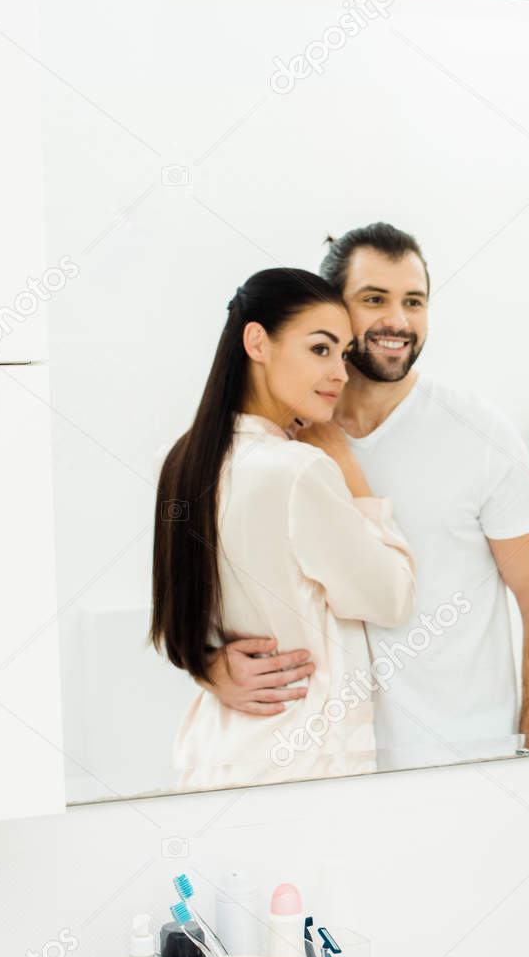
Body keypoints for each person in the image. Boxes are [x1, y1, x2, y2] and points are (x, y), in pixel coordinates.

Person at [198, 224, 529, 765]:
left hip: (465, 761)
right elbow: (215, 596)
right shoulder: (278, 448)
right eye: (374, 299)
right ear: (334, 309)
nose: (398, 321)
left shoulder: (479, 432)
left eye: (414, 301)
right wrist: (209, 665)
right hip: (330, 765)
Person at [151, 267, 417, 789]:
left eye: (343, 353)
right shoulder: (300, 470)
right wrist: (348, 468)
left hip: (215, 753)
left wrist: (210, 666)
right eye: (320, 349)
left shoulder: (181, 460)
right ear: (257, 342)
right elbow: (392, 598)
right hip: (302, 761)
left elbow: (179, 619)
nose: (341, 373)